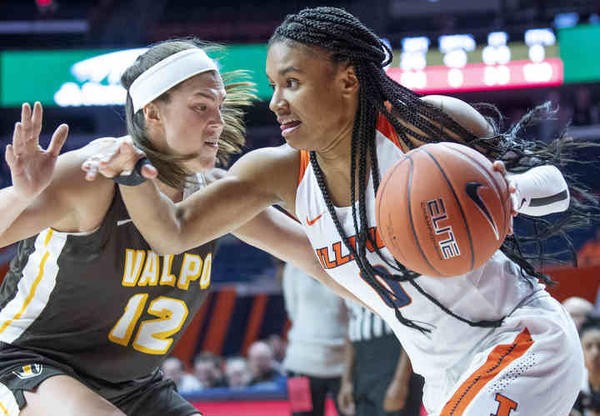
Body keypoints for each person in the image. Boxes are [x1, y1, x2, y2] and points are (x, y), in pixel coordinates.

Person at [88, 7, 590, 415]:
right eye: (273, 85)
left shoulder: (420, 126)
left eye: (292, 83)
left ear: (347, 81)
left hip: (520, 337)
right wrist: (132, 171)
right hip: (441, 374)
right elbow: (173, 232)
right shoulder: (277, 172)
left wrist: (509, 193)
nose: (275, 102)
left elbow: (556, 189)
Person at [0, 38, 349, 416]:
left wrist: (412, 310)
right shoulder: (94, 173)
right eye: (201, 106)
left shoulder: (214, 193)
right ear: (152, 112)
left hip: (133, 384)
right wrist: (20, 194)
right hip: (26, 361)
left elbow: (319, 260)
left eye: (220, 106)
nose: (217, 121)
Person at [282, 263, 348, 416]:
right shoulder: (293, 267)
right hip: (301, 364)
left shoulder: (342, 263)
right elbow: (292, 310)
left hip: (342, 365)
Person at [338, 301, 423, 416]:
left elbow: (413, 324)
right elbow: (352, 326)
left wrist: (400, 381)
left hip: (392, 356)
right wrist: (346, 381)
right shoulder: (347, 285)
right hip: (361, 362)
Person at [571, 319, 600, 416]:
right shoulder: (572, 386)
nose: (595, 353)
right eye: (588, 346)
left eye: (599, 346)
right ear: (580, 352)